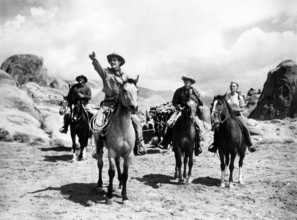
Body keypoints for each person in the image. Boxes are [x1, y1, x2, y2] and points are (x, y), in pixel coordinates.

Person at [89, 52, 147, 156]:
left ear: (119, 62)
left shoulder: (126, 75)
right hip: (108, 104)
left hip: (123, 105)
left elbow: (130, 88)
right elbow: (98, 68)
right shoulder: (106, 73)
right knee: (97, 122)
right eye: (111, 60)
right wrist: (94, 60)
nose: (112, 62)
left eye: (115, 60)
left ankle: (139, 144)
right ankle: (97, 148)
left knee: (137, 121)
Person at [160, 74, 204, 156]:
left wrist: (195, 106)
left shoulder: (196, 92)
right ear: (184, 81)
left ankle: (197, 145)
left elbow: (200, 102)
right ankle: (165, 141)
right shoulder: (178, 91)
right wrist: (178, 107)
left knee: (199, 125)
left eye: (189, 81)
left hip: (192, 112)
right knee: (170, 123)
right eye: (186, 80)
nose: (187, 82)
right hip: (180, 111)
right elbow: (174, 102)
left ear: (191, 83)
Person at [208, 81, 257, 153]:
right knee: (217, 127)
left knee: (245, 126)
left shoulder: (239, 97)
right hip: (227, 116)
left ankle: (249, 144)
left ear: (237, 88)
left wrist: (234, 110)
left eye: (234, 86)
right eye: (231, 86)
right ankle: (215, 145)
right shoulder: (226, 96)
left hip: (237, 115)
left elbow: (243, 108)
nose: (232, 87)